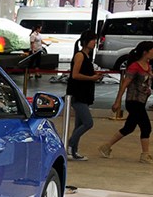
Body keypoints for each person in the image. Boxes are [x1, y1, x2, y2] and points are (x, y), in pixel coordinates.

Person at [99, 41, 153, 164]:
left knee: (129, 127)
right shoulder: (134, 66)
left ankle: (106, 146)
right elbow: (124, 85)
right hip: (133, 101)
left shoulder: (148, 65)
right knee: (146, 127)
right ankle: (145, 154)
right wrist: (117, 101)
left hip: (142, 100)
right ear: (145, 52)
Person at [65, 29, 104, 161]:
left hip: (84, 93)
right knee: (88, 122)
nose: (94, 43)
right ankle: (70, 145)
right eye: (92, 40)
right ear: (86, 41)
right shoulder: (80, 55)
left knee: (79, 124)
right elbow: (75, 75)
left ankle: (74, 150)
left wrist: (94, 76)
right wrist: (91, 78)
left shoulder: (86, 56)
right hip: (77, 94)